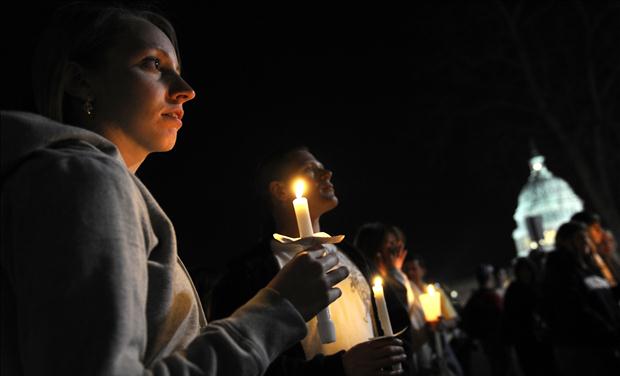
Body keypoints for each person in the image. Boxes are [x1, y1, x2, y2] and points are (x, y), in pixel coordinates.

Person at [0, 3, 350, 375]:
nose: (186, 91)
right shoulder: (87, 180)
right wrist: (277, 311)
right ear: (81, 81)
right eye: (154, 64)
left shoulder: (76, 183)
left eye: (178, 72)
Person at [207, 146, 408, 376]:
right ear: (280, 191)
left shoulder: (354, 257)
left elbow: (396, 320)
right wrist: (339, 369)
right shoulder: (247, 274)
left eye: (323, 168)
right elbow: (239, 361)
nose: (327, 174)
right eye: (311, 169)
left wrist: (396, 359)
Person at [542, 221, 620, 376]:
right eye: (580, 238)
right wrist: (609, 332)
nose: (586, 242)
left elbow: (603, 295)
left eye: (586, 238)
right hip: (583, 349)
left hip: (603, 344)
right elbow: (574, 308)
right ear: (564, 242)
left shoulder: (588, 266)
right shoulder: (559, 270)